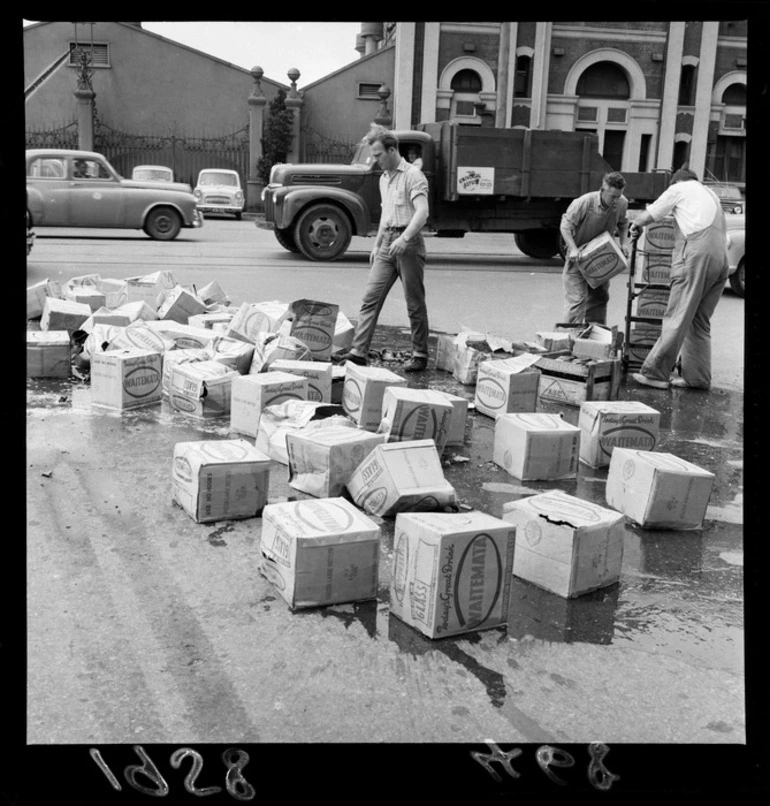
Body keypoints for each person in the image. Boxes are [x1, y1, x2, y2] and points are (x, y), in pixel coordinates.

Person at [337, 125, 430, 372]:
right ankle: (358, 352)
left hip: (408, 245)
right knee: (370, 298)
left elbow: (423, 211)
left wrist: (406, 238)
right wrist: (378, 245)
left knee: (414, 302)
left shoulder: (413, 175)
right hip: (388, 242)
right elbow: (387, 214)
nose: (375, 160)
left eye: (378, 155)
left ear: (392, 149)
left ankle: (420, 354)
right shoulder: (383, 179)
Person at [628, 167, 729, 390]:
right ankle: (698, 379)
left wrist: (635, 224)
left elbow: (652, 213)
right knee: (698, 321)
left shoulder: (679, 188)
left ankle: (655, 373)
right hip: (721, 259)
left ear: (676, 182)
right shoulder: (710, 194)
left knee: (678, 314)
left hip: (697, 255)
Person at [560, 171, 630, 324]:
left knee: (599, 298)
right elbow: (565, 226)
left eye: (618, 197)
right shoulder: (584, 202)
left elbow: (623, 224)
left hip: (602, 256)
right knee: (577, 300)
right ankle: (569, 336)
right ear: (603, 190)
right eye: (612, 197)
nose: (615, 201)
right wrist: (572, 248)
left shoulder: (622, 203)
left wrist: (624, 243)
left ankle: (595, 339)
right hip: (578, 258)